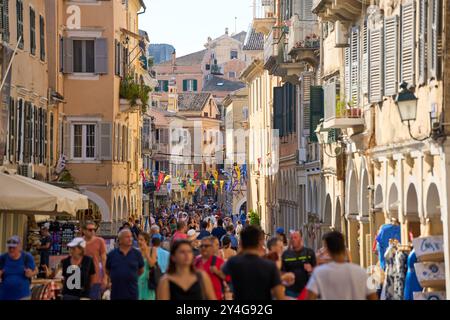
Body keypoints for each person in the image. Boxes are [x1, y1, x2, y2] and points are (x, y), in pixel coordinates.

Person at [306, 231, 378, 300]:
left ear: (327, 248)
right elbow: (373, 297)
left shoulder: (319, 273)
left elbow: (309, 297)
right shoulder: (361, 272)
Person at [221, 226, 285, 300]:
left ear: (242, 242)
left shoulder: (232, 263)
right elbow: (280, 296)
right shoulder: (269, 266)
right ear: (260, 242)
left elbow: (221, 276)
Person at [105, 229, 144, 300]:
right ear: (120, 240)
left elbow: (141, 270)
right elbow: (107, 271)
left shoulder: (137, 254)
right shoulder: (112, 255)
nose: (130, 239)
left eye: (131, 236)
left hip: (132, 292)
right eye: (127, 237)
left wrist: (131, 275)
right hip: (116, 292)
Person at [0, 236, 37, 300]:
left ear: (19, 247)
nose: (11, 249)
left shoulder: (26, 257)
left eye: (14, 247)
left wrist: (31, 273)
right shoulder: (3, 258)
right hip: (5, 295)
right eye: (9, 247)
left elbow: (36, 270)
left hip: (23, 296)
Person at [281, 231, 316, 298]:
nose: (293, 240)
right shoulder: (285, 254)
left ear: (301, 239)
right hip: (290, 290)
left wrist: (311, 269)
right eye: (291, 238)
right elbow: (282, 271)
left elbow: (316, 269)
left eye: (295, 237)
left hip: (306, 289)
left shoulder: (309, 252)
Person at [82, 221, 107, 300]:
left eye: (94, 230)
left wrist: (105, 277)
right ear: (84, 230)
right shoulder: (79, 242)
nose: (92, 232)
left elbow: (104, 260)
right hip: (81, 278)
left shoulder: (100, 241)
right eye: (90, 230)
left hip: (95, 278)